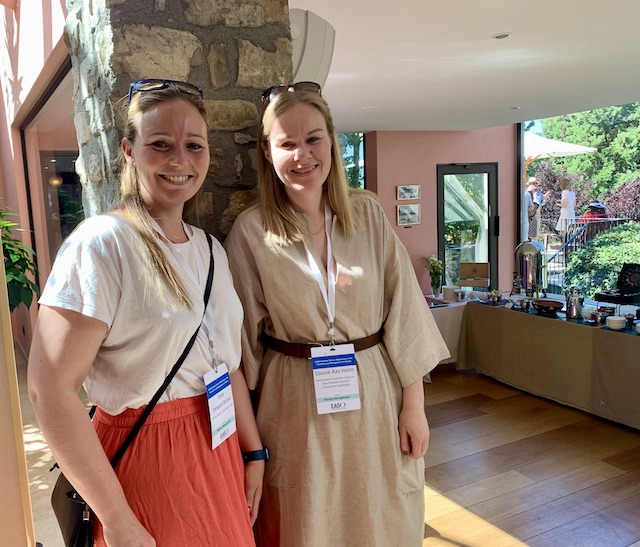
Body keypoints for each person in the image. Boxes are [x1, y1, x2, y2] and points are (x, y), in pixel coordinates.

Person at [27, 79, 264, 546]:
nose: (179, 160)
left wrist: (253, 453)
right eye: (160, 144)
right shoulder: (102, 244)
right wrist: (115, 517)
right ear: (129, 150)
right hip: (148, 460)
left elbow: (226, 366)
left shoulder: (211, 250)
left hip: (218, 450)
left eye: (193, 146)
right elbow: (48, 389)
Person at [224, 82, 450, 547]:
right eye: (286, 143)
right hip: (292, 400)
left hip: (375, 390)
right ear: (268, 154)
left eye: (313, 139)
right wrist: (247, 448)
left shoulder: (367, 215)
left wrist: (415, 407)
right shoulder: (251, 232)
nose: (302, 155)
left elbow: (404, 308)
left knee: (381, 509)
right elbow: (238, 348)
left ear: (332, 141)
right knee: (308, 517)